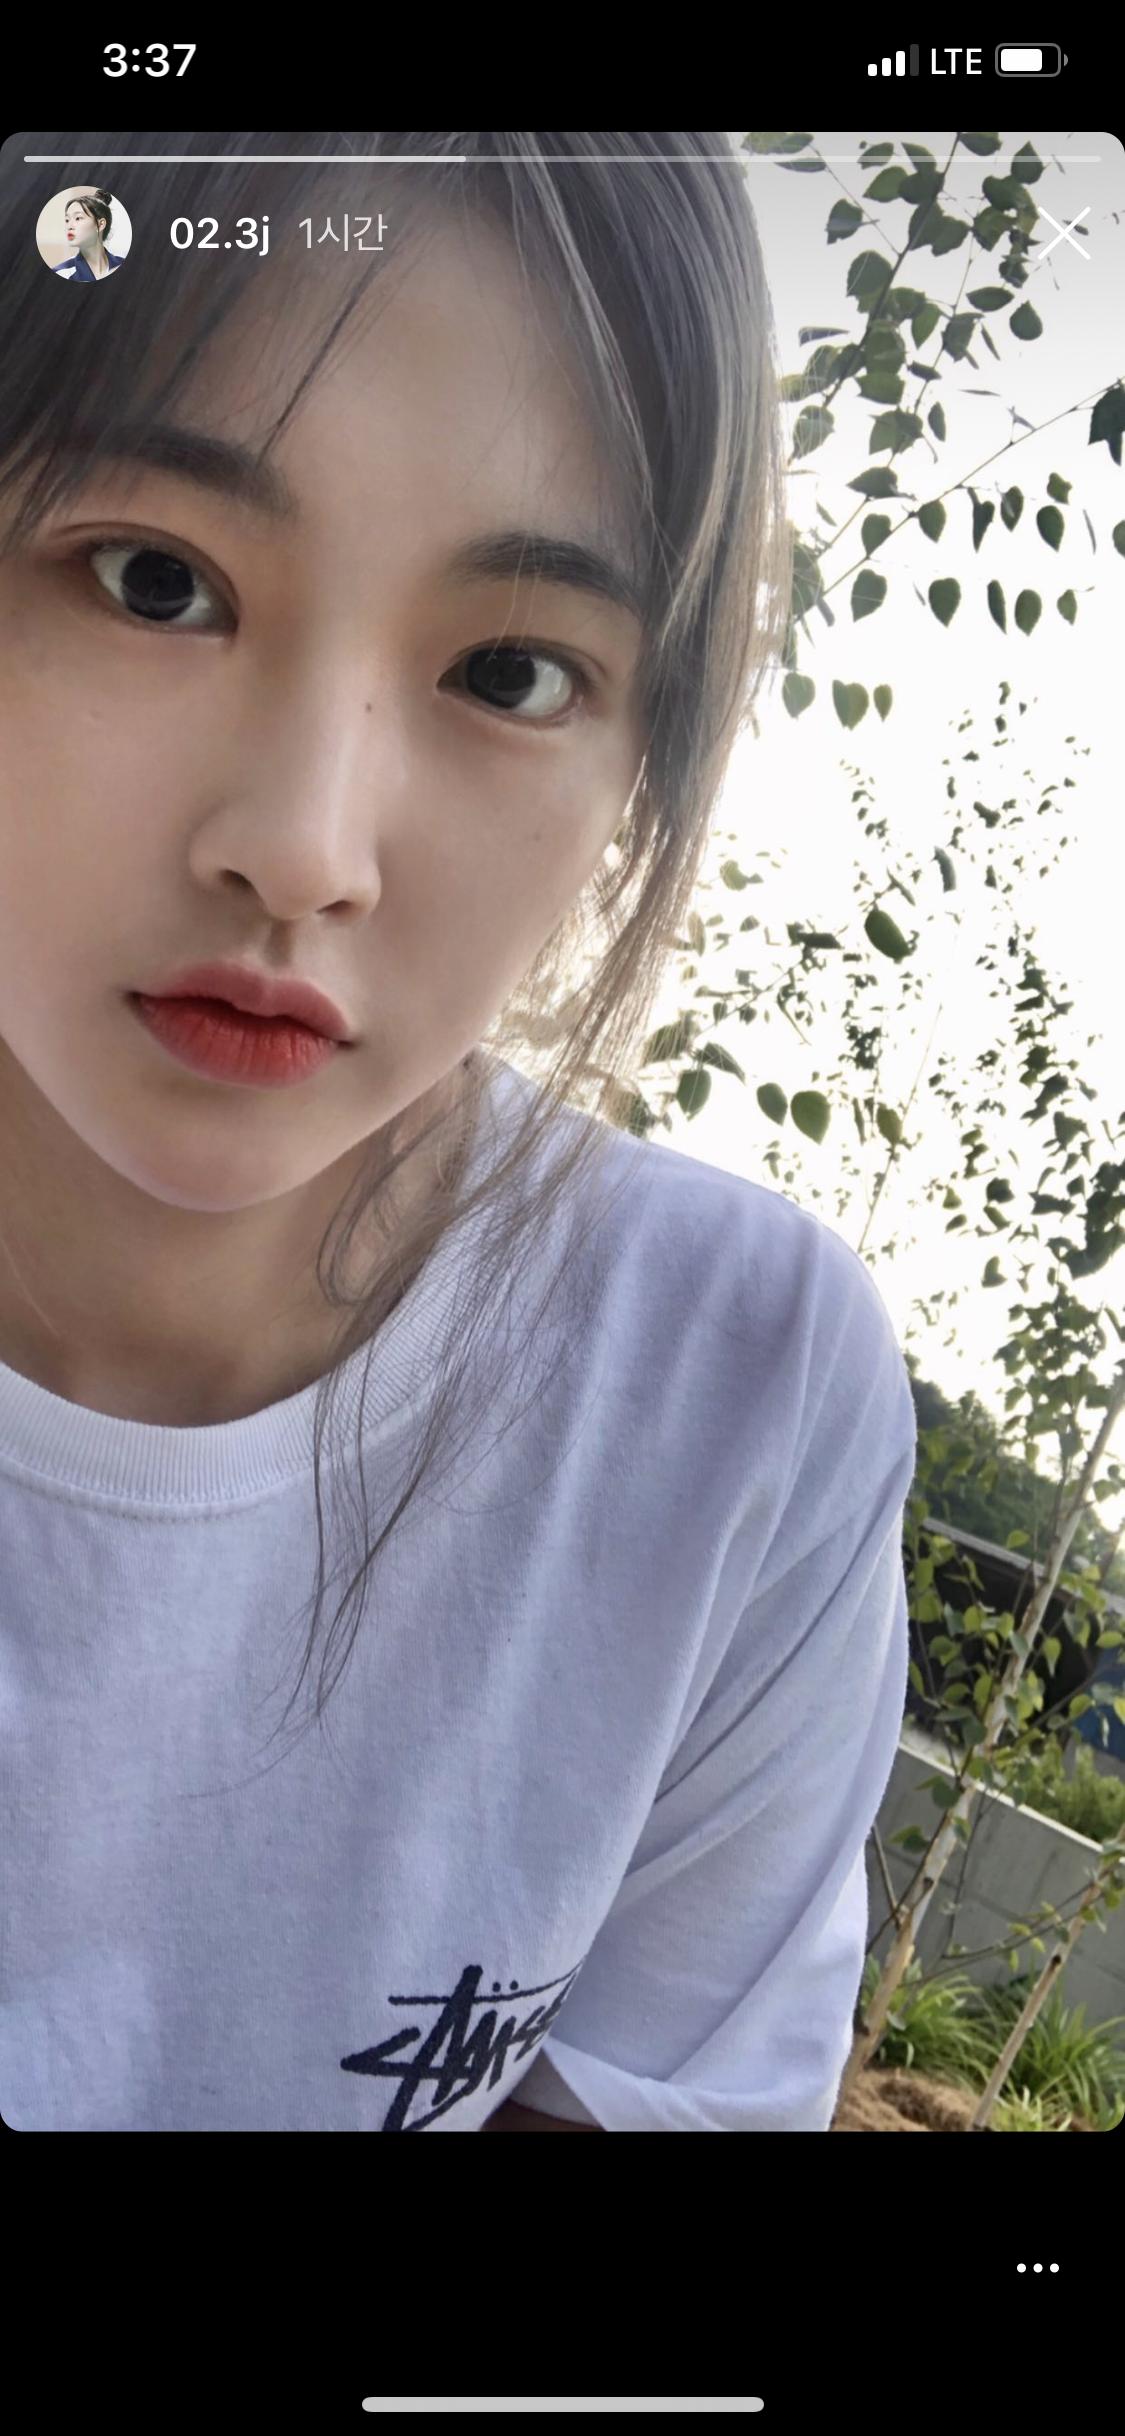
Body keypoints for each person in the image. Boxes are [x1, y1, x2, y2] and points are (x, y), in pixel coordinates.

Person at [0, 132, 917, 2132]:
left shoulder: (727, 1393)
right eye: (157, 581)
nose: (302, 851)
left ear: (640, 762)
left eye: (509, 671)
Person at [53, 188, 125, 281]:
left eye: (78, 218)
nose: (69, 226)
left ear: (100, 224)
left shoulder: (123, 264)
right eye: (67, 220)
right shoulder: (62, 273)